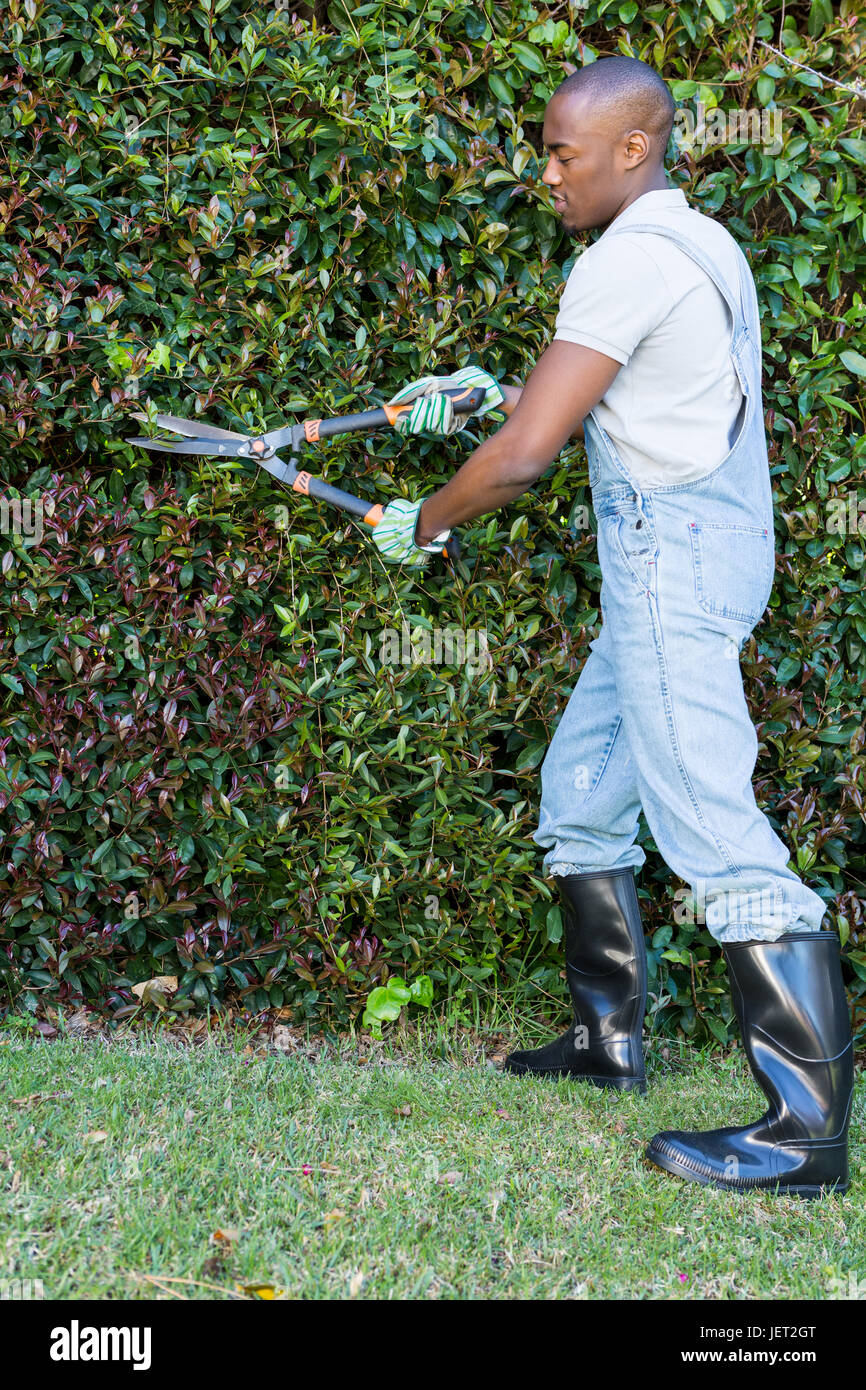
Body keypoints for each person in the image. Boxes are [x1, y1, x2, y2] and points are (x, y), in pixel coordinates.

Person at [372, 56, 854, 1198]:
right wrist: (489, 390)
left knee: (716, 835)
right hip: (709, 557)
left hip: (665, 570)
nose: (546, 171)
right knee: (583, 793)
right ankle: (606, 1045)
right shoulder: (699, 242)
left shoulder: (622, 262)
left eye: (561, 151)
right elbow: (633, 389)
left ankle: (802, 1133)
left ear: (632, 147)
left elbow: (530, 456)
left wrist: (427, 520)